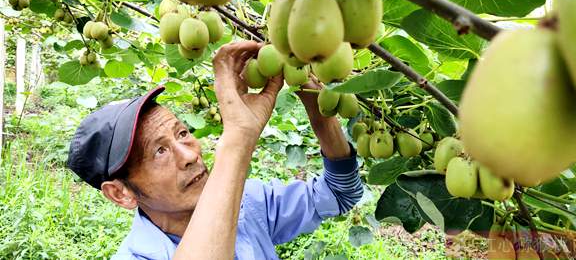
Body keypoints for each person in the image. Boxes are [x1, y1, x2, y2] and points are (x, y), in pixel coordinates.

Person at [67, 41, 364, 260]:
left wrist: (316, 104)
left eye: (182, 133)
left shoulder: (249, 204)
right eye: (159, 152)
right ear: (121, 193)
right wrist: (238, 139)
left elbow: (338, 194)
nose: (189, 155)